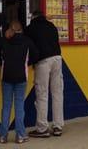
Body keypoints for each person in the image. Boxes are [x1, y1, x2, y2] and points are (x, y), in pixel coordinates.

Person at [0, 20, 39, 144]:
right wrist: (26, 64)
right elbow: (36, 55)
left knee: (6, 107)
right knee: (19, 107)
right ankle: (20, 136)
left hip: (6, 77)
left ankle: (3, 136)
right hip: (21, 77)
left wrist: (3, 63)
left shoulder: (4, 40)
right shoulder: (27, 41)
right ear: (21, 29)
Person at [24, 10, 64, 138]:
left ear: (33, 17)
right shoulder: (52, 26)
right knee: (57, 93)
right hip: (57, 59)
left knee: (42, 94)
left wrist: (30, 62)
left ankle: (42, 128)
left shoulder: (30, 28)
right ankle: (58, 126)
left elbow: (28, 47)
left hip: (43, 61)